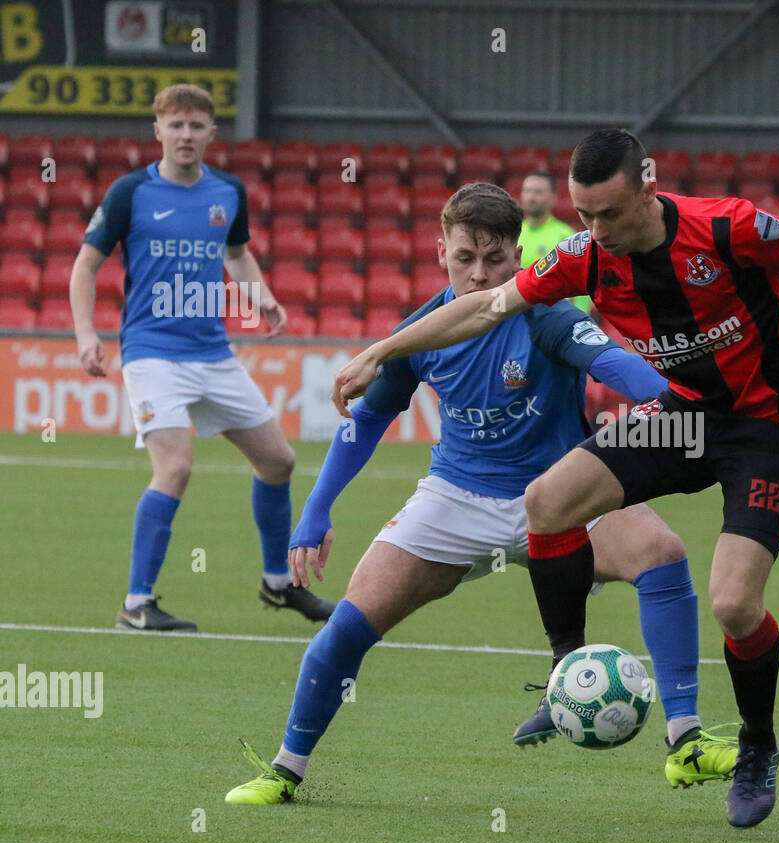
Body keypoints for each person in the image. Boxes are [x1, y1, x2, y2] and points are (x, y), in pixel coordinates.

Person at [331, 129, 779, 829]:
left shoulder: (723, 228)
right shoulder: (584, 258)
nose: (595, 230)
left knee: (733, 605)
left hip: (770, 427)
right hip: (687, 417)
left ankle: (757, 744)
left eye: (608, 213)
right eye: (583, 216)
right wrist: (382, 349)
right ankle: (565, 671)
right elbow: (486, 307)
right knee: (548, 500)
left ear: (649, 184)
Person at [225, 183, 736, 805]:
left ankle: (684, 742)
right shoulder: (422, 332)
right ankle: (285, 770)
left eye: (495, 260)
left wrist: (673, 400)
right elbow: (365, 422)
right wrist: (316, 508)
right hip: (455, 499)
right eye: (465, 258)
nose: (479, 274)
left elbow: (620, 370)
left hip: (561, 494)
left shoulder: (547, 315)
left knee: (661, 553)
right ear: (441, 251)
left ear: (518, 257)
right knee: (349, 624)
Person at [70, 83, 334, 631]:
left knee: (278, 461)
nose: (185, 135)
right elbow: (85, 265)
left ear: (212, 133)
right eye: (176, 124)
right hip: (152, 352)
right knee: (176, 467)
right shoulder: (129, 192)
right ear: (158, 130)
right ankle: (136, 604)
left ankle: (278, 583)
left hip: (212, 352)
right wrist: (84, 335)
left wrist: (260, 295)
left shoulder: (228, 192)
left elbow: (236, 255)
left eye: (196, 126)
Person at [517, 171, 593, 314]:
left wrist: (579, 316)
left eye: (538, 192)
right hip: (517, 316)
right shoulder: (514, 233)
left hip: (554, 318)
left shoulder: (566, 236)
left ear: (553, 198)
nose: (531, 197)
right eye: (527, 191)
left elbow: (583, 281)